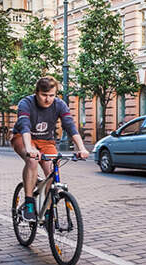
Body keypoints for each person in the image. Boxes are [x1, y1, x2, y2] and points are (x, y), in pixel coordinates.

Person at [11, 76, 89, 222]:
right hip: (23, 137)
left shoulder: (60, 104)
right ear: (36, 93)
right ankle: (29, 202)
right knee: (32, 160)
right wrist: (29, 148)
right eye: (44, 95)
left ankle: (47, 211)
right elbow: (24, 126)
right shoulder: (26, 103)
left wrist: (82, 148)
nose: (48, 99)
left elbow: (70, 126)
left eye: (52, 95)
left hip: (46, 141)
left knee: (53, 171)